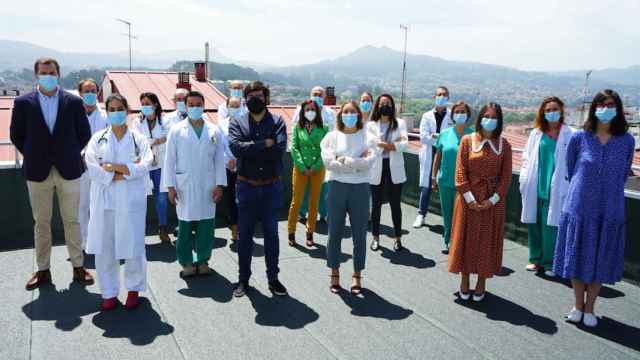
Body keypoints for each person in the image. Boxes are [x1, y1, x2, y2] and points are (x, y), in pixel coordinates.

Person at [10, 57, 94, 290]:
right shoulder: (23, 102)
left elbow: (84, 133)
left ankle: (78, 267)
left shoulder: (73, 102)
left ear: (58, 74)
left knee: (72, 220)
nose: (48, 76)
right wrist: (36, 154)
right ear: (36, 75)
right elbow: (17, 135)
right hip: (37, 171)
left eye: (52, 72)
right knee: (41, 222)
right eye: (43, 72)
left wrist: (66, 153)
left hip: (69, 169)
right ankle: (43, 270)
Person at [553, 90, 634, 328]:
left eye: (610, 105)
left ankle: (591, 308)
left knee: (600, 258)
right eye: (601, 104)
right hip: (580, 207)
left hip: (609, 209)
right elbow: (571, 168)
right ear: (594, 108)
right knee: (577, 256)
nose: (605, 109)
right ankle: (578, 305)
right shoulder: (580, 137)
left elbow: (623, 173)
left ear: (618, 109)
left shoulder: (627, 140)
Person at [84, 94, 152, 311]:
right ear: (107, 111)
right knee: (105, 249)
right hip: (105, 201)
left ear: (127, 110)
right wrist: (123, 171)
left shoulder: (138, 138)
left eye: (120, 108)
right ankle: (109, 292)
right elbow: (92, 166)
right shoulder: (98, 138)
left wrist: (115, 168)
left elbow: (146, 163)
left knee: (133, 246)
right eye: (111, 109)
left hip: (131, 201)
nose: (116, 112)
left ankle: (133, 288)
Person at [228, 81, 288, 298]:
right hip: (246, 187)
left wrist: (252, 147)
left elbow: (279, 151)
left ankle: (273, 279)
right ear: (245, 99)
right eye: (251, 95)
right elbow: (236, 148)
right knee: (244, 236)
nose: (255, 99)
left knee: (272, 235)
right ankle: (243, 279)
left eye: (260, 95)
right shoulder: (237, 122)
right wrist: (265, 144)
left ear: (266, 98)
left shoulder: (278, 121)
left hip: (271, 187)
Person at [448, 102, 512, 302]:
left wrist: (492, 200)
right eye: (487, 116)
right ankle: (465, 279)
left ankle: (481, 282)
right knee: (465, 240)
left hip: (492, 203)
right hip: (468, 201)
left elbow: (506, 177)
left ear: (499, 120)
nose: (490, 120)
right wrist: (470, 199)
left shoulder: (505, 145)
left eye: (494, 117)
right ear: (480, 118)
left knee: (486, 241)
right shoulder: (467, 141)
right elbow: (460, 173)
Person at [163, 91, 227, 277]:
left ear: (203, 105)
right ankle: (186, 263)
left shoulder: (213, 130)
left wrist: (220, 185)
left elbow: (219, 160)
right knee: (184, 227)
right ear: (185, 106)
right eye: (190, 104)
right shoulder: (176, 130)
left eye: (198, 104)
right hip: (185, 184)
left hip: (208, 184)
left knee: (206, 225)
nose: (194, 107)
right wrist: (170, 187)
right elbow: (169, 160)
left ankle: (203, 260)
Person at [321, 100, 377, 294]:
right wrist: (355, 163)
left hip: (360, 189)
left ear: (359, 115)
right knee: (334, 232)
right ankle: (334, 272)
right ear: (340, 115)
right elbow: (329, 163)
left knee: (359, 235)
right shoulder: (331, 137)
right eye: (346, 112)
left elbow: (369, 162)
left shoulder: (368, 137)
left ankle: (357, 274)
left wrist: (345, 160)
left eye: (353, 112)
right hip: (336, 187)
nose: (349, 115)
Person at [519, 96, 573, 276]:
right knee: (534, 223)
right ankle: (534, 259)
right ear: (542, 113)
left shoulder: (569, 134)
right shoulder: (536, 133)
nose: (551, 113)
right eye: (548, 110)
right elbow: (526, 157)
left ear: (562, 111)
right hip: (536, 184)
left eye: (555, 109)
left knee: (552, 227)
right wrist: (524, 178)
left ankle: (550, 263)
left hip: (558, 187)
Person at [431, 101, 473, 254]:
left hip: (464, 184)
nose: (460, 114)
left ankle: (460, 242)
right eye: (458, 112)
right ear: (453, 115)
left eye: (463, 112)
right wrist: (433, 177)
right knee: (447, 213)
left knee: (461, 215)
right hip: (445, 181)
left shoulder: (473, 135)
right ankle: (448, 241)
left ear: (468, 115)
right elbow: (437, 157)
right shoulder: (444, 134)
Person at [367, 94, 408, 252]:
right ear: (377, 106)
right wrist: (392, 145)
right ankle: (375, 238)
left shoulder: (400, 123)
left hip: (394, 168)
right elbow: (371, 143)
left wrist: (385, 145)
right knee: (376, 205)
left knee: (395, 205)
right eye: (382, 103)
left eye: (388, 103)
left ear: (393, 106)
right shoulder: (371, 125)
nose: (385, 106)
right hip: (377, 168)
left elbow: (404, 144)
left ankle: (398, 238)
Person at [287, 99, 329, 247]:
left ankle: (310, 232)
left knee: (314, 201)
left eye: (312, 109)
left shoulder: (324, 128)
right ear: (302, 112)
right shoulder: (298, 127)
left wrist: (315, 166)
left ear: (317, 111)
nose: (310, 112)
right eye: (307, 109)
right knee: (296, 201)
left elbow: (326, 149)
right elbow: (294, 148)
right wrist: (302, 166)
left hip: (318, 168)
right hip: (300, 168)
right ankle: (291, 232)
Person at [294, 86, 336, 224]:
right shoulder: (300, 111)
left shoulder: (330, 113)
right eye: (315, 94)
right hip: (305, 157)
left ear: (324, 97)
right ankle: (302, 213)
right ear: (310, 95)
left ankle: (324, 214)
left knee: (324, 188)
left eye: (320, 94)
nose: (317, 97)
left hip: (324, 156)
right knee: (304, 188)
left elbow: (335, 134)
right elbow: (296, 133)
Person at [414, 86, 452, 228]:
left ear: (448, 98)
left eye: (444, 95)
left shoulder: (451, 116)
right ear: (434, 97)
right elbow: (424, 138)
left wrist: (436, 136)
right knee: (427, 186)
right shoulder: (426, 115)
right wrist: (441, 137)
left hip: (445, 155)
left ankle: (448, 219)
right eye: (439, 94)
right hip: (430, 154)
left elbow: (452, 136)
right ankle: (421, 214)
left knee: (446, 187)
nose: (441, 97)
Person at [77, 78, 108, 249]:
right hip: (80, 166)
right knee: (82, 204)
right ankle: (83, 240)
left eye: (93, 91)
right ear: (80, 93)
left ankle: (101, 239)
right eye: (86, 91)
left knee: (100, 204)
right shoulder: (73, 115)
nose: (90, 94)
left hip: (101, 166)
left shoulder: (105, 116)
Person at [137, 92, 171, 243]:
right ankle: (139, 231)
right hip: (144, 165)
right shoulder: (138, 122)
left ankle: (163, 228)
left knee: (161, 197)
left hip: (160, 164)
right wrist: (157, 140)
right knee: (140, 197)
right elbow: (138, 141)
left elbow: (169, 138)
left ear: (155, 104)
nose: (145, 106)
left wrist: (150, 141)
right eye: (142, 103)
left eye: (147, 103)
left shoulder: (165, 120)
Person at [217, 96, 241, 242]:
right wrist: (228, 161)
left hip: (243, 166)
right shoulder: (221, 124)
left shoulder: (246, 123)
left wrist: (237, 161)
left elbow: (248, 144)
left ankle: (243, 225)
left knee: (243, 198)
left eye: (237, 106)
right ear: (227, 107)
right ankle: (234, 227)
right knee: (230, 197)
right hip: (227, 166)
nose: (234, 109)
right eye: (232, 106)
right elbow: (219, 146)